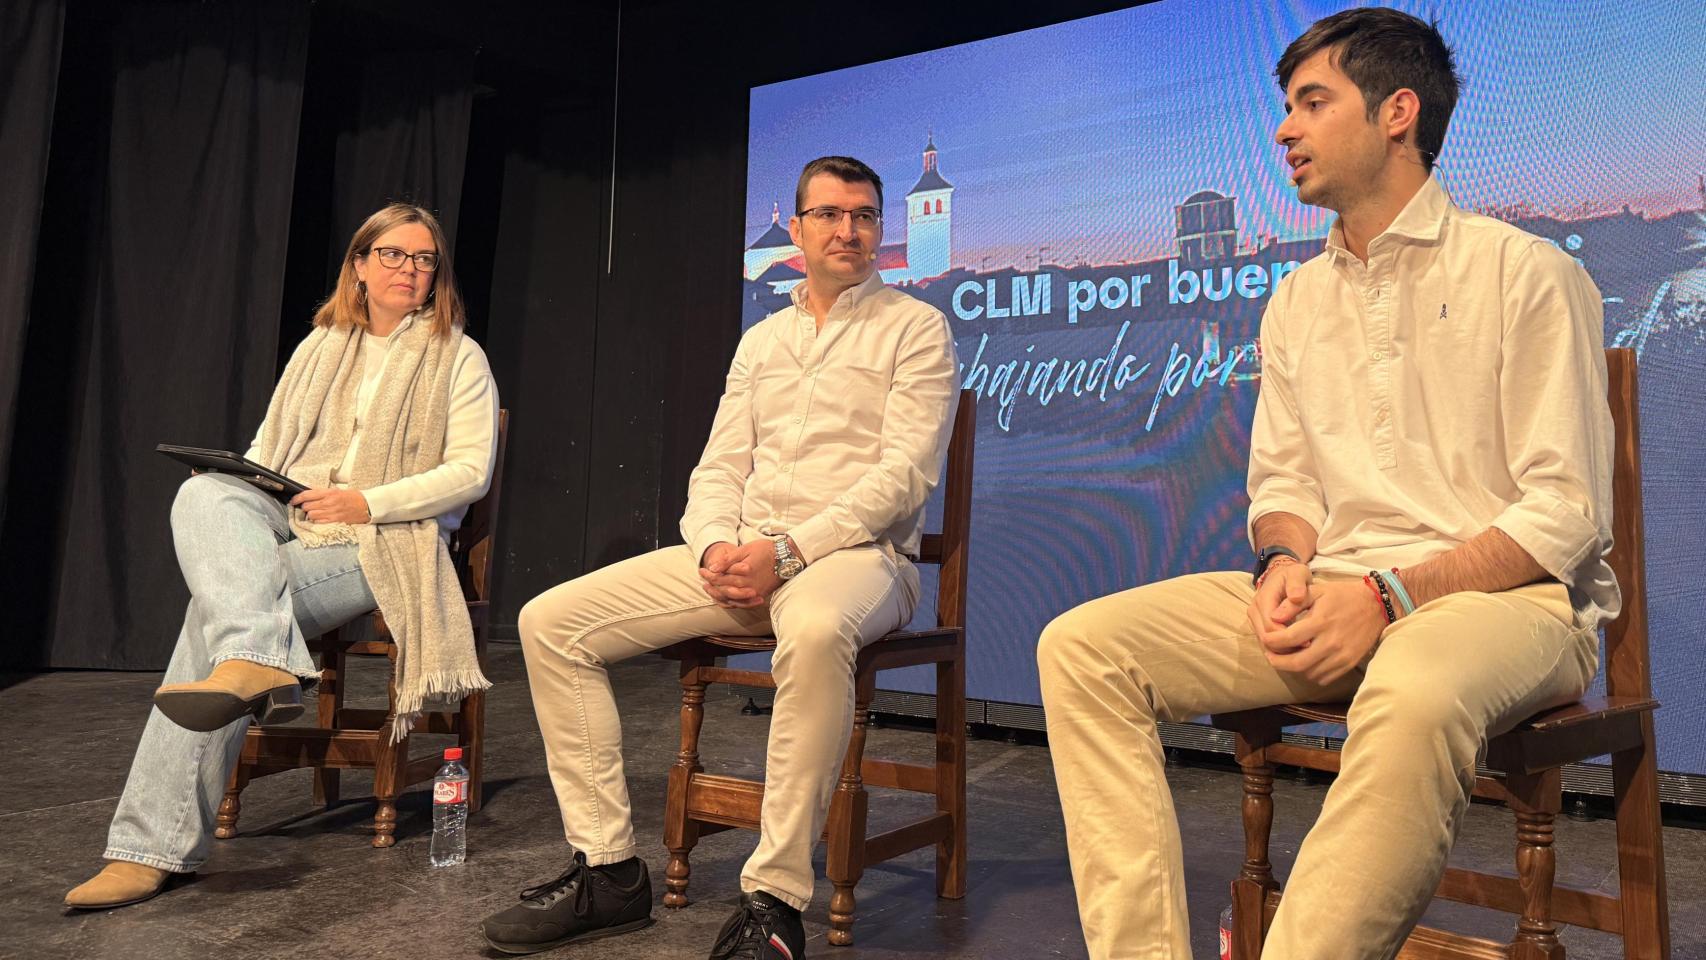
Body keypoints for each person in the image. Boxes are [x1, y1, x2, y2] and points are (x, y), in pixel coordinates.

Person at [1037, 9, 1614, 958]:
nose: (1282, 130)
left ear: (1397, 111)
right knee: (1083, 650)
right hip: (1339, 589)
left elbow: (1564, 515)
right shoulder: (1297, 299)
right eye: (1286, 106)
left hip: (1508, 604)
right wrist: (1280, 563)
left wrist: (1388, 598)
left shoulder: (1526, 271)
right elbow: (1285, 482)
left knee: (1418, 682)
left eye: (1312, 102)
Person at [483, 156, 957, 958]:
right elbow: (719, 467)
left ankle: (774, 902)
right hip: (745, 555)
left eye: (867, 216)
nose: (851, 230)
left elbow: (904, 478)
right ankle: (608, 872)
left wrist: (787, 548)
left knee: (809, 629)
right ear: (798, 229)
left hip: (861, 561)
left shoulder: (915, 328)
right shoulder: (761, 340)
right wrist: (711, 546)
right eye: (832, 215)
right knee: (551, 622)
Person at [64, 203, 501, 910]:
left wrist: (364, 502)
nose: (409, 270)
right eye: (393, 254)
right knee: (204, 496)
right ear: (359, 264)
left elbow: (466, 474)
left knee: (211, 621)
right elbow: (269, 452)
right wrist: (247, 482)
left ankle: (148, 847)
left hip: (386, 540)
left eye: (424, 260)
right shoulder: (320, 346)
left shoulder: (459, 355)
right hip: (297, 516)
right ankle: (255, 652)